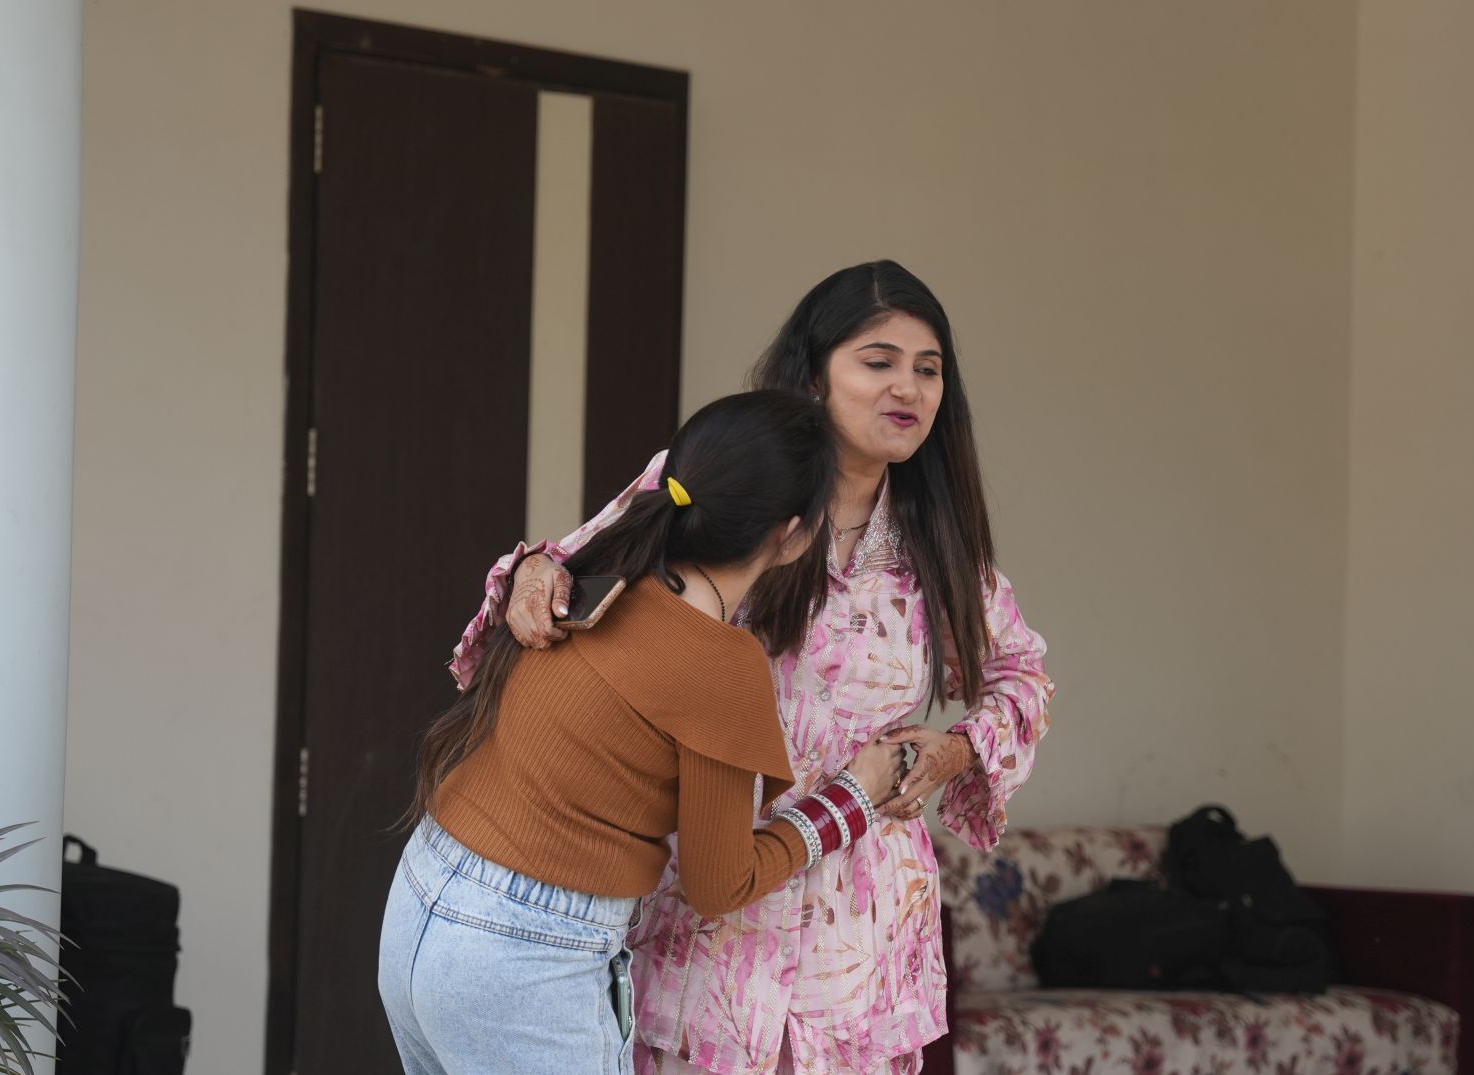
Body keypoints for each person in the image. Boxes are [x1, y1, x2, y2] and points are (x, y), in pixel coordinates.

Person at [451, 261, 1056, 1075]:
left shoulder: (937, 543)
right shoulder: (721, 480)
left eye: (927, 368)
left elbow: (1023, 676)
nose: (906, 387)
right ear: (813, 376)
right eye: (877, 361)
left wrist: (954, 750)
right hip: (706, 909)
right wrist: (535, 574)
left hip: (858, 938)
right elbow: (573, 565)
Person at [380, 390, 906, 1075]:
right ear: (794, 533)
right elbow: (721, 882)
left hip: (421, 898)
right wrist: (853, 799)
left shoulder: (602, 569)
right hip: (524, 956)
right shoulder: (722, 665)